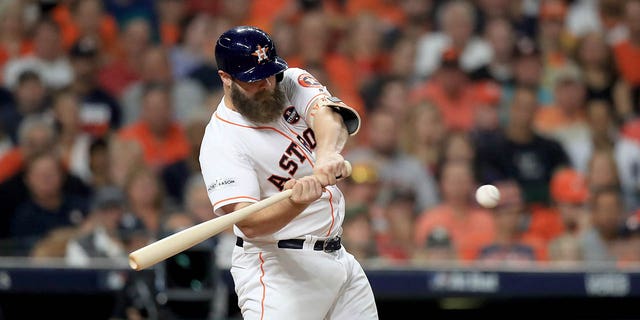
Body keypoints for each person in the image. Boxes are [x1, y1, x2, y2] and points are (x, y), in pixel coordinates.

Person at [199, 26, 378, 319]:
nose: (267, 84)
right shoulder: (221, 140)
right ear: (226, 79)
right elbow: (249, 223)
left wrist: (327, 155)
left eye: (269, 73)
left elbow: (328, 116)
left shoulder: (289, 80)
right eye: (254, 80)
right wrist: (296, 201)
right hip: (277, 272)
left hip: (339, 259)